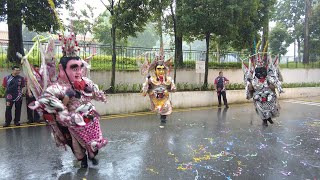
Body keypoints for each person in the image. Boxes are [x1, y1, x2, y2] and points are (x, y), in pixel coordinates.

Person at [29, 33, 108, 168]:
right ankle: (83, 161)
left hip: (91, 119)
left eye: (80, 67)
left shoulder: (86, 81)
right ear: (62, 69)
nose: (78, 72)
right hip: (74, 122)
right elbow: (48, 99)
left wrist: (95, 93)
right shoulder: (58, 86)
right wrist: (65, 104)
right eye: (73, 68)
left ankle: (92, 155)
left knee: (96, 144)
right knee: (78, 149)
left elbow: (98, 95)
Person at [243, 54, 284, 126]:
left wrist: (276, 86)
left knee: (271, 107)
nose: (261, 74)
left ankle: (269, 118)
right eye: (258, 72)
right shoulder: (253, 80)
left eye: (262, 71)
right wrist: (249, 86)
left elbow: (274, 84)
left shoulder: (268, 78)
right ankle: (264, 120)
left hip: (269, 96)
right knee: (260, 109)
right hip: (258, 97)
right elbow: (250, 89)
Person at [141, 50, 176, 124]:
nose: (161, 71)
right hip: (155, 98)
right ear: (155, 70)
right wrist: (147, 83)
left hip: (164, 98)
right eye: (159, 69)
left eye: (163, 69)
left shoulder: (168, 79)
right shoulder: (151, 79)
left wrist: (172, 87)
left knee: (165, 108)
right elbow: (144, 91)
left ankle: (163, 119)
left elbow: (173, 89)